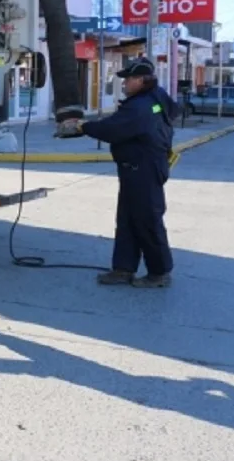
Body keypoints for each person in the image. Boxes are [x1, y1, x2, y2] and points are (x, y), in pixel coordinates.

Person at [75, 56, 176, 288]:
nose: (124, 83)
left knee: (147, 220)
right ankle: (123, 268)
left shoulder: (140, 106)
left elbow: (113, 129)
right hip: (140, 168)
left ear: (141, 79)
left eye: (128, 79)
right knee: (129, 219)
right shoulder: (155, 98)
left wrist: (83, 127)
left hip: (144, 169)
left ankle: (159, 273)